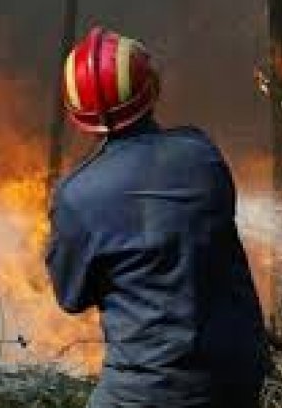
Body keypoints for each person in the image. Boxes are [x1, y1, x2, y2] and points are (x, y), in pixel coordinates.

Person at [46, 27, 270, 407]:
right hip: (236, 376)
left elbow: (71, 298)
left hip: (145, 391)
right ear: (151, 89)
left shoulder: (77, 196)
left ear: (76, 114)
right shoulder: (200, 155)